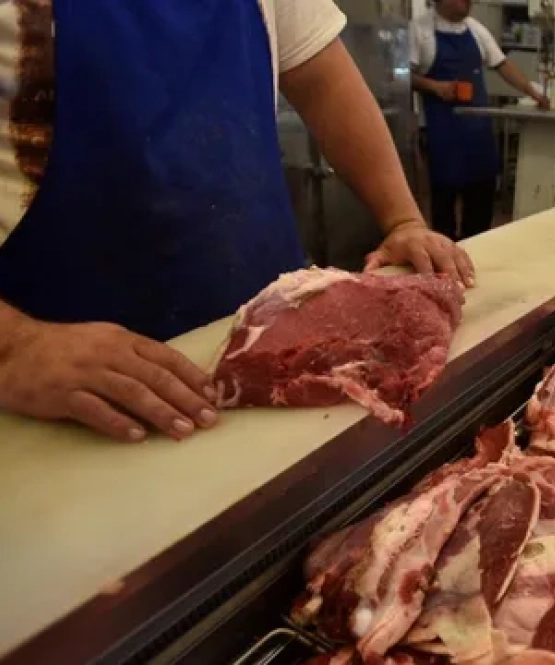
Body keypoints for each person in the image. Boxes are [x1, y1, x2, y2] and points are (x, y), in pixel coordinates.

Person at [0, 0, 475, 444]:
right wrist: (17, 347)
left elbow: (323, 81)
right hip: (70, 408)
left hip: (270, 353)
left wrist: (402, 218)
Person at [411, 0, 548, 242]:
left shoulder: (475, 29)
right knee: (443, 201)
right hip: (442, 130)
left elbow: (502, 65)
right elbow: (402, 74)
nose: (467, 3)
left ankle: (477, 249)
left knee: (482, 196)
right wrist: (435, 86)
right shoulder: (419, 29)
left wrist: (534, 92)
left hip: (478, 132)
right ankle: (445, 253)